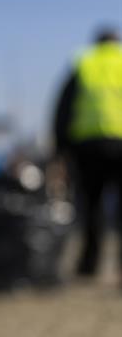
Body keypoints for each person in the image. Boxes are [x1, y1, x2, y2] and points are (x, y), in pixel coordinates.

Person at [53, 26, 122, 277]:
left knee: (91, 208)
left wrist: (60, 147)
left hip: (88, 147)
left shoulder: (84, 62)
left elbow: (63, 107)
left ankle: (89, 265)